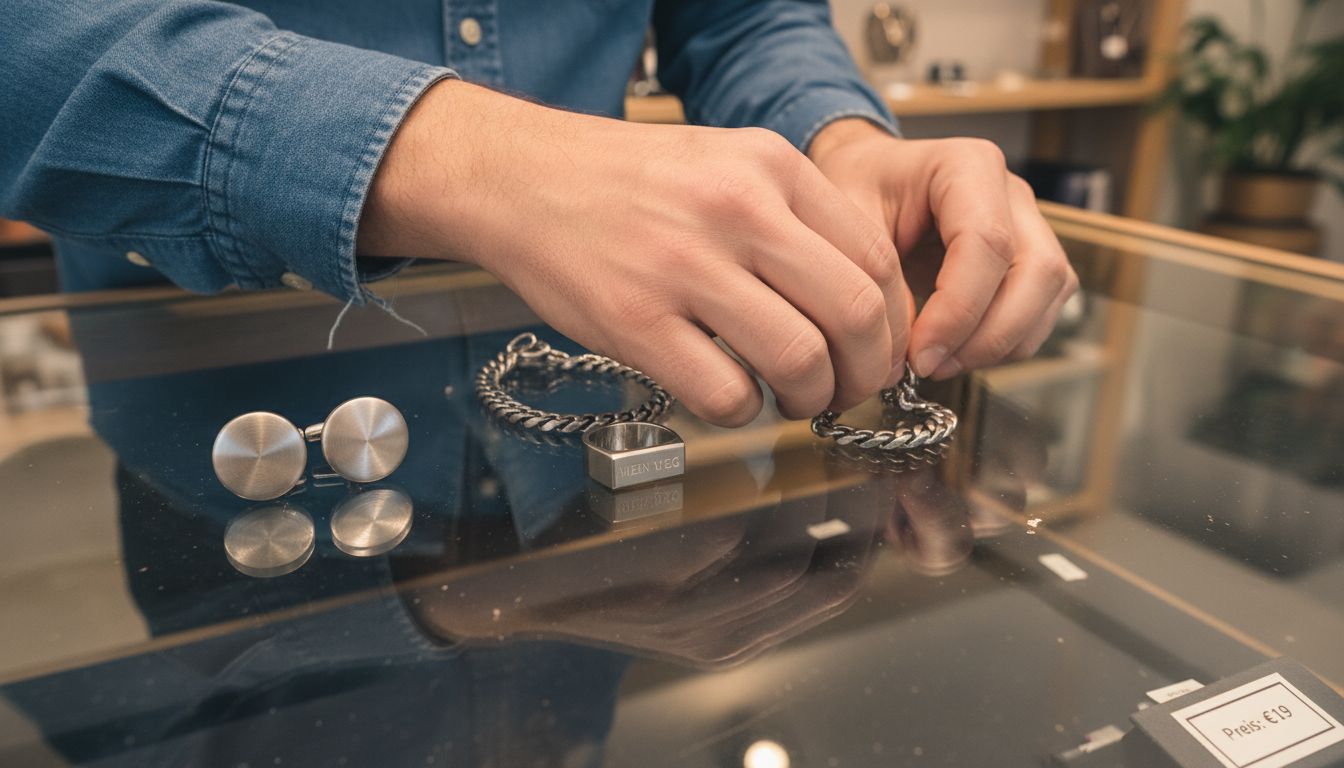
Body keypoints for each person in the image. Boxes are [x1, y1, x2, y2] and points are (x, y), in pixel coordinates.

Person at [0, 0, 1077, 426]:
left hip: (578, 439)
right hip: (232, 421)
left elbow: (742, 15)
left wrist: (839, 137)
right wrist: (477, 164)